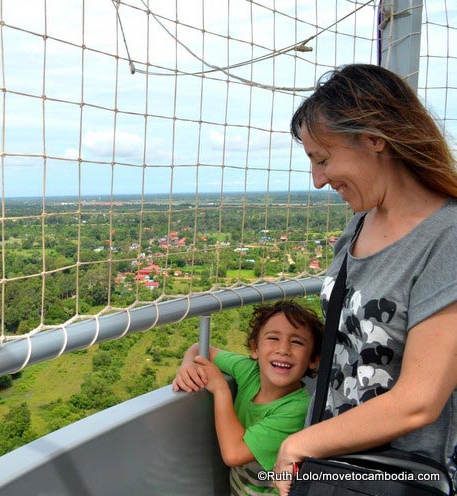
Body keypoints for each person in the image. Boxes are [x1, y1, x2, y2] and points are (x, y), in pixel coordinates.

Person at [272, 64, 457, 495]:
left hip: (397, 478)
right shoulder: (357, 227)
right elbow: (343, 344)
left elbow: (419, 402)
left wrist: (298, 444)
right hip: (334, 467)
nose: (318, 180)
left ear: (375, 139)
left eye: (323, 158)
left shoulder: (447, 237)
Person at [173, 300, 323, 495]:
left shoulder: (297, 409)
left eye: (297, 342)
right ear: (255, 349)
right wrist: (187, 364)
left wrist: (221, 389)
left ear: (313, 359)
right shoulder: (250, 371)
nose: (283, 350)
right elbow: (199, 348)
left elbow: (234, 454)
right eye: (273, 338)